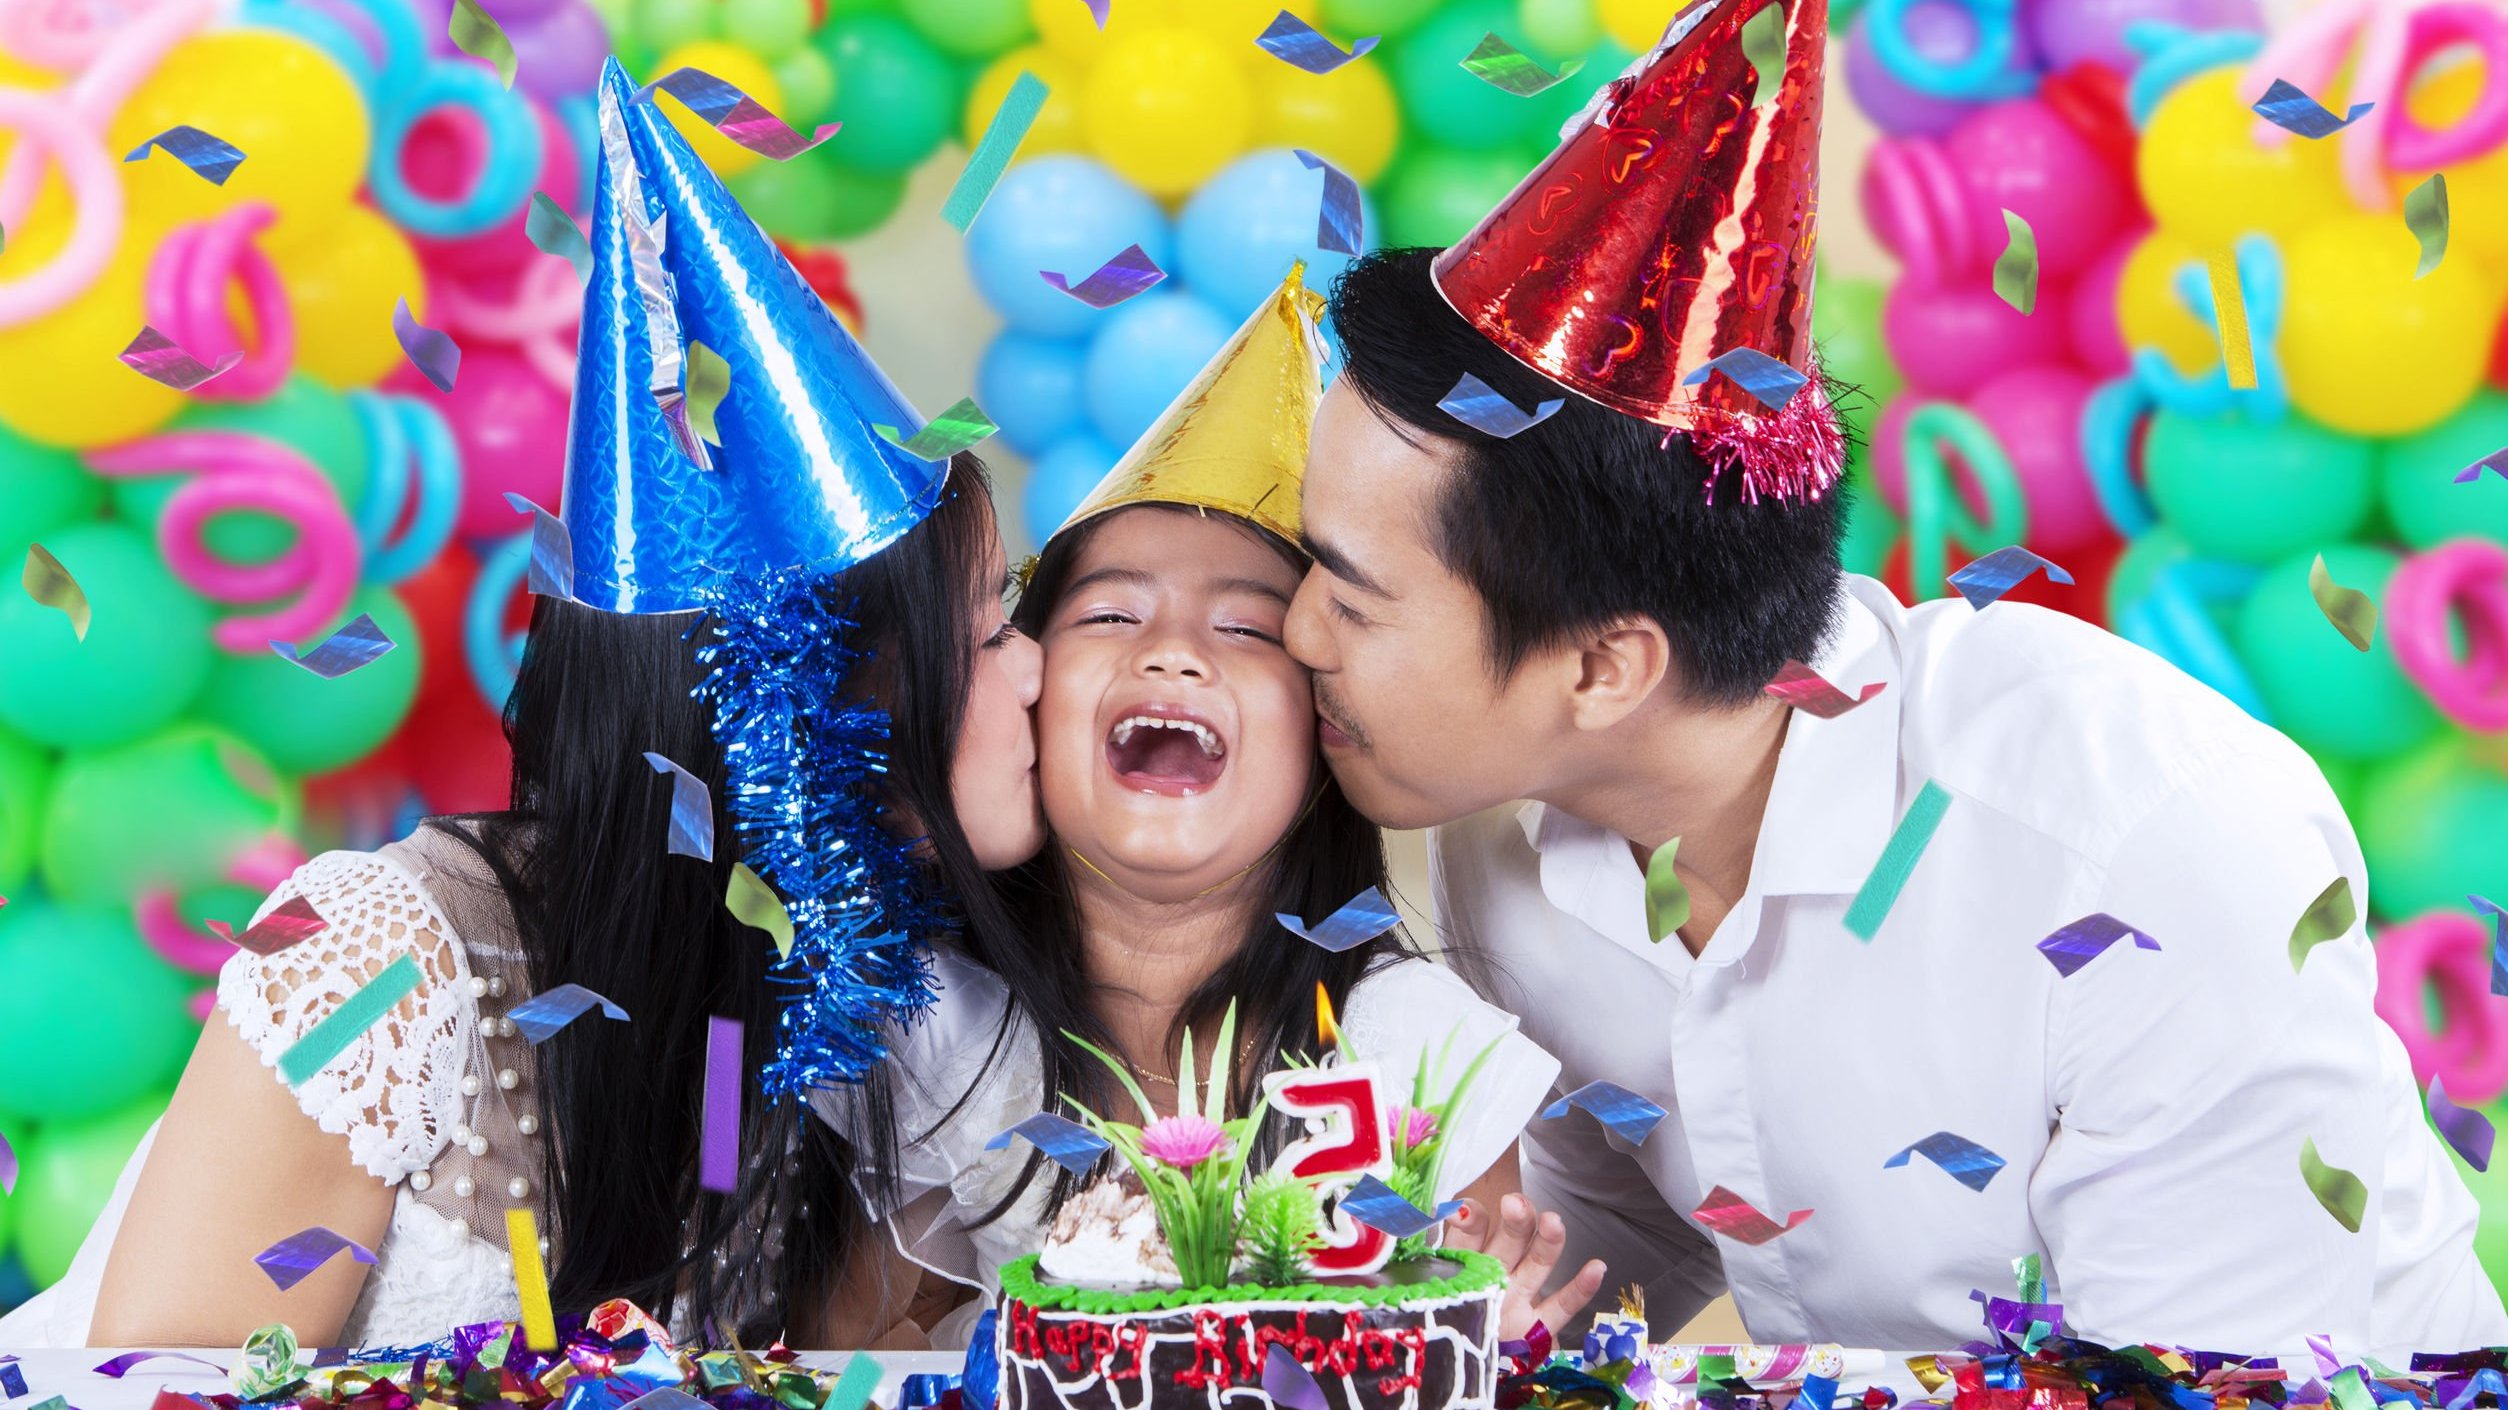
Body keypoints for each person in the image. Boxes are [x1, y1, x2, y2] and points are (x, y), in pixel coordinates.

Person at [1283, 0, 2508, 1355]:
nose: (1292, 632)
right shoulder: (1504, 825)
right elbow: (1604, 1262)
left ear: (1604, 664)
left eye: (1347, 592)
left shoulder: (2135, 851)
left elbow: (2217, 1388)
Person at [0, 59, 1043, 1350]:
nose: (1044, 664)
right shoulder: (383, 956)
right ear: (811, 705)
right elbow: (163, 1386)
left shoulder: (871, 1007)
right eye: (994, 627)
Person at [819, 269, 1587, 1348]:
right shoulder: (942, 1034)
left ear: (1325, 730)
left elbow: (1462, 1328)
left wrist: (1486, 1343)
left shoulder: (1414, 1049)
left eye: (1247, 631)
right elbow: (837, 1354)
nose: (1172, 650)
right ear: (1024, 690)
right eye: (1112, 613)